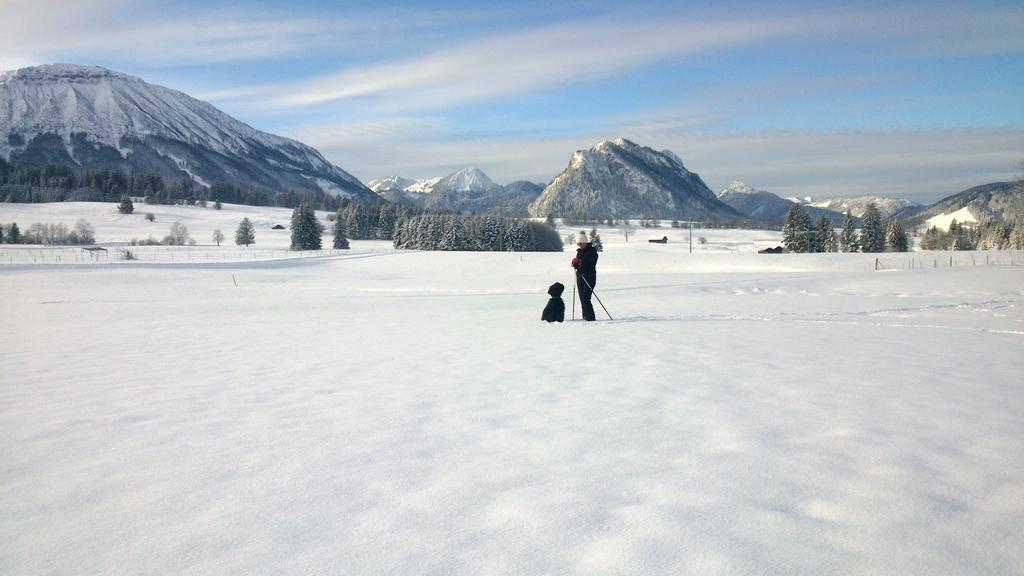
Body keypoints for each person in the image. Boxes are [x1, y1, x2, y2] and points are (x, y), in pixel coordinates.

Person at [571, 230, 599, 321]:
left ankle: (590, 318)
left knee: (586, 298)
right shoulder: (579, 252)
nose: (579, 245)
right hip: (580, 277)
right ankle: (585, 316)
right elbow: (578, 264)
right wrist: (575, 264)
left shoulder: (592, 252)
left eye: (581, 243)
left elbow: (591, 264)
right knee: (582, 299)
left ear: (585, 243)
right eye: (578, 244)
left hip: (589, 277)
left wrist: (580, 262)